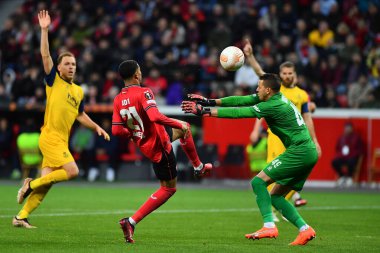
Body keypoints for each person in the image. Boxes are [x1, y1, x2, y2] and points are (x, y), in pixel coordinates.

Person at [182, 73, 318, 246]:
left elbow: (239, 113)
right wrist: (209, 101)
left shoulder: (272, 105)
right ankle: (305, 229)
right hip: (307, 151)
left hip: (299, 151)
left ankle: (269, 225)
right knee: (276, 196)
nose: (256, 89)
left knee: (258, 182)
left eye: (259, 86)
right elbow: (241, 100)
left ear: (267, 90)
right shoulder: (277, 97)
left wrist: (204, 112)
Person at [12, 10, 110, 229]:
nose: (71, 67)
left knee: (47, 185)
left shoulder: (78, 91)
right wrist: (44, 30)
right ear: (58, 67)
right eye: (67, 64)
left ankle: (21, 217)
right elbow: (45, 55)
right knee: (72, 171)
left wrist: (96, 128)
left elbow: (80, 114)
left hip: (61, 140)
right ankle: (29, 184)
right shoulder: (53, 81)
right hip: (49, 137)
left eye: (74, 64)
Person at [112, 60, 212, 244]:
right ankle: (131, 222)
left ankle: (198, 167)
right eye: (140, 71)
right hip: (159, 145)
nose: (141, 73)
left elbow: (117, 130)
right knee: (168, 188)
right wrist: (177, 122)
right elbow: (155, 116)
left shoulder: (118, 99)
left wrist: (135, 134)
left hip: (146, 142)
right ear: (136, 75)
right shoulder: (144, 91)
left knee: (185, 129)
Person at [244, 39, 322, 208]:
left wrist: (314, 140)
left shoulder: (302, 95)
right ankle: (277, 207)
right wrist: (249, 56)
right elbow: (259, 73)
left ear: (295, 75)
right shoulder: (275, 89)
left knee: (294, 170)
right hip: (276, 137)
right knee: (273, 170)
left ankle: (287, 201)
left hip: (296, 138)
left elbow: (307, 117)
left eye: (290, 73)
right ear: (280, 75)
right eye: (284, 73)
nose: (287, 76)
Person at [332, 122, 363, 188]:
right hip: (343, 157)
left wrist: (354, 154)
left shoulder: (356, 137)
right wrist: (339, 155)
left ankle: (349, 177)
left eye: (349, 128)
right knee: (334, 162)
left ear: (352, 129)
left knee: (351, 162)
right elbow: (337, 148)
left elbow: (360, 150)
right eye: (346, 128)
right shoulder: (342, 138)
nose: (347, 129)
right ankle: (342, 176)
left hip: (352, 157)